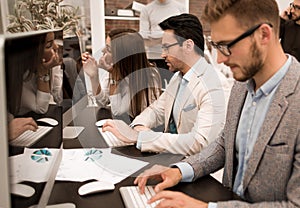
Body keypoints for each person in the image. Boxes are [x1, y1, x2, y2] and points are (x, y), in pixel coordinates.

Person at [134, 0, 300, 207]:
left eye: (226, 46)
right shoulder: (242, 86)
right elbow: (224, 143)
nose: (220, 59)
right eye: (216, 46)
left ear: (264, 35)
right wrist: (180, 170)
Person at [103, 14, 231, 156]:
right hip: (172, 159)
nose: (163, 55)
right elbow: (156, 110)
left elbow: (199, 142)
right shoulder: (178, 78)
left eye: (167, 48)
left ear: (188, 45)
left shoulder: (215, 84)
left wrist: (141, 137)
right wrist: (137, 127)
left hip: (199, 170)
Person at [82, 31, 162, 121]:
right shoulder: (117, 68)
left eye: (108, 49)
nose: (102, 51)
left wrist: (113, 75)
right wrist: (94, 76)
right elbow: (103, 102)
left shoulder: (148, 75)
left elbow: (117, 111)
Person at [139, 0, 186, 85]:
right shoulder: (146, 10)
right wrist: (169, 36)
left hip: (175, 57)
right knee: (156, 90)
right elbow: (144, 38)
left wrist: (154, 37)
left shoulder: (180, 8)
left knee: (176, 90)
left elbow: (183, 35)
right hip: (154, 57)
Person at [17, 31, 63, 115]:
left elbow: (58, 97)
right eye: (49, 45)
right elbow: (41, 109)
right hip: (24, 117)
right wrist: (43, 73)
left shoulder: (49, 63)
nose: (56, 46)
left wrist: (54, 68)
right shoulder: (21, 74)